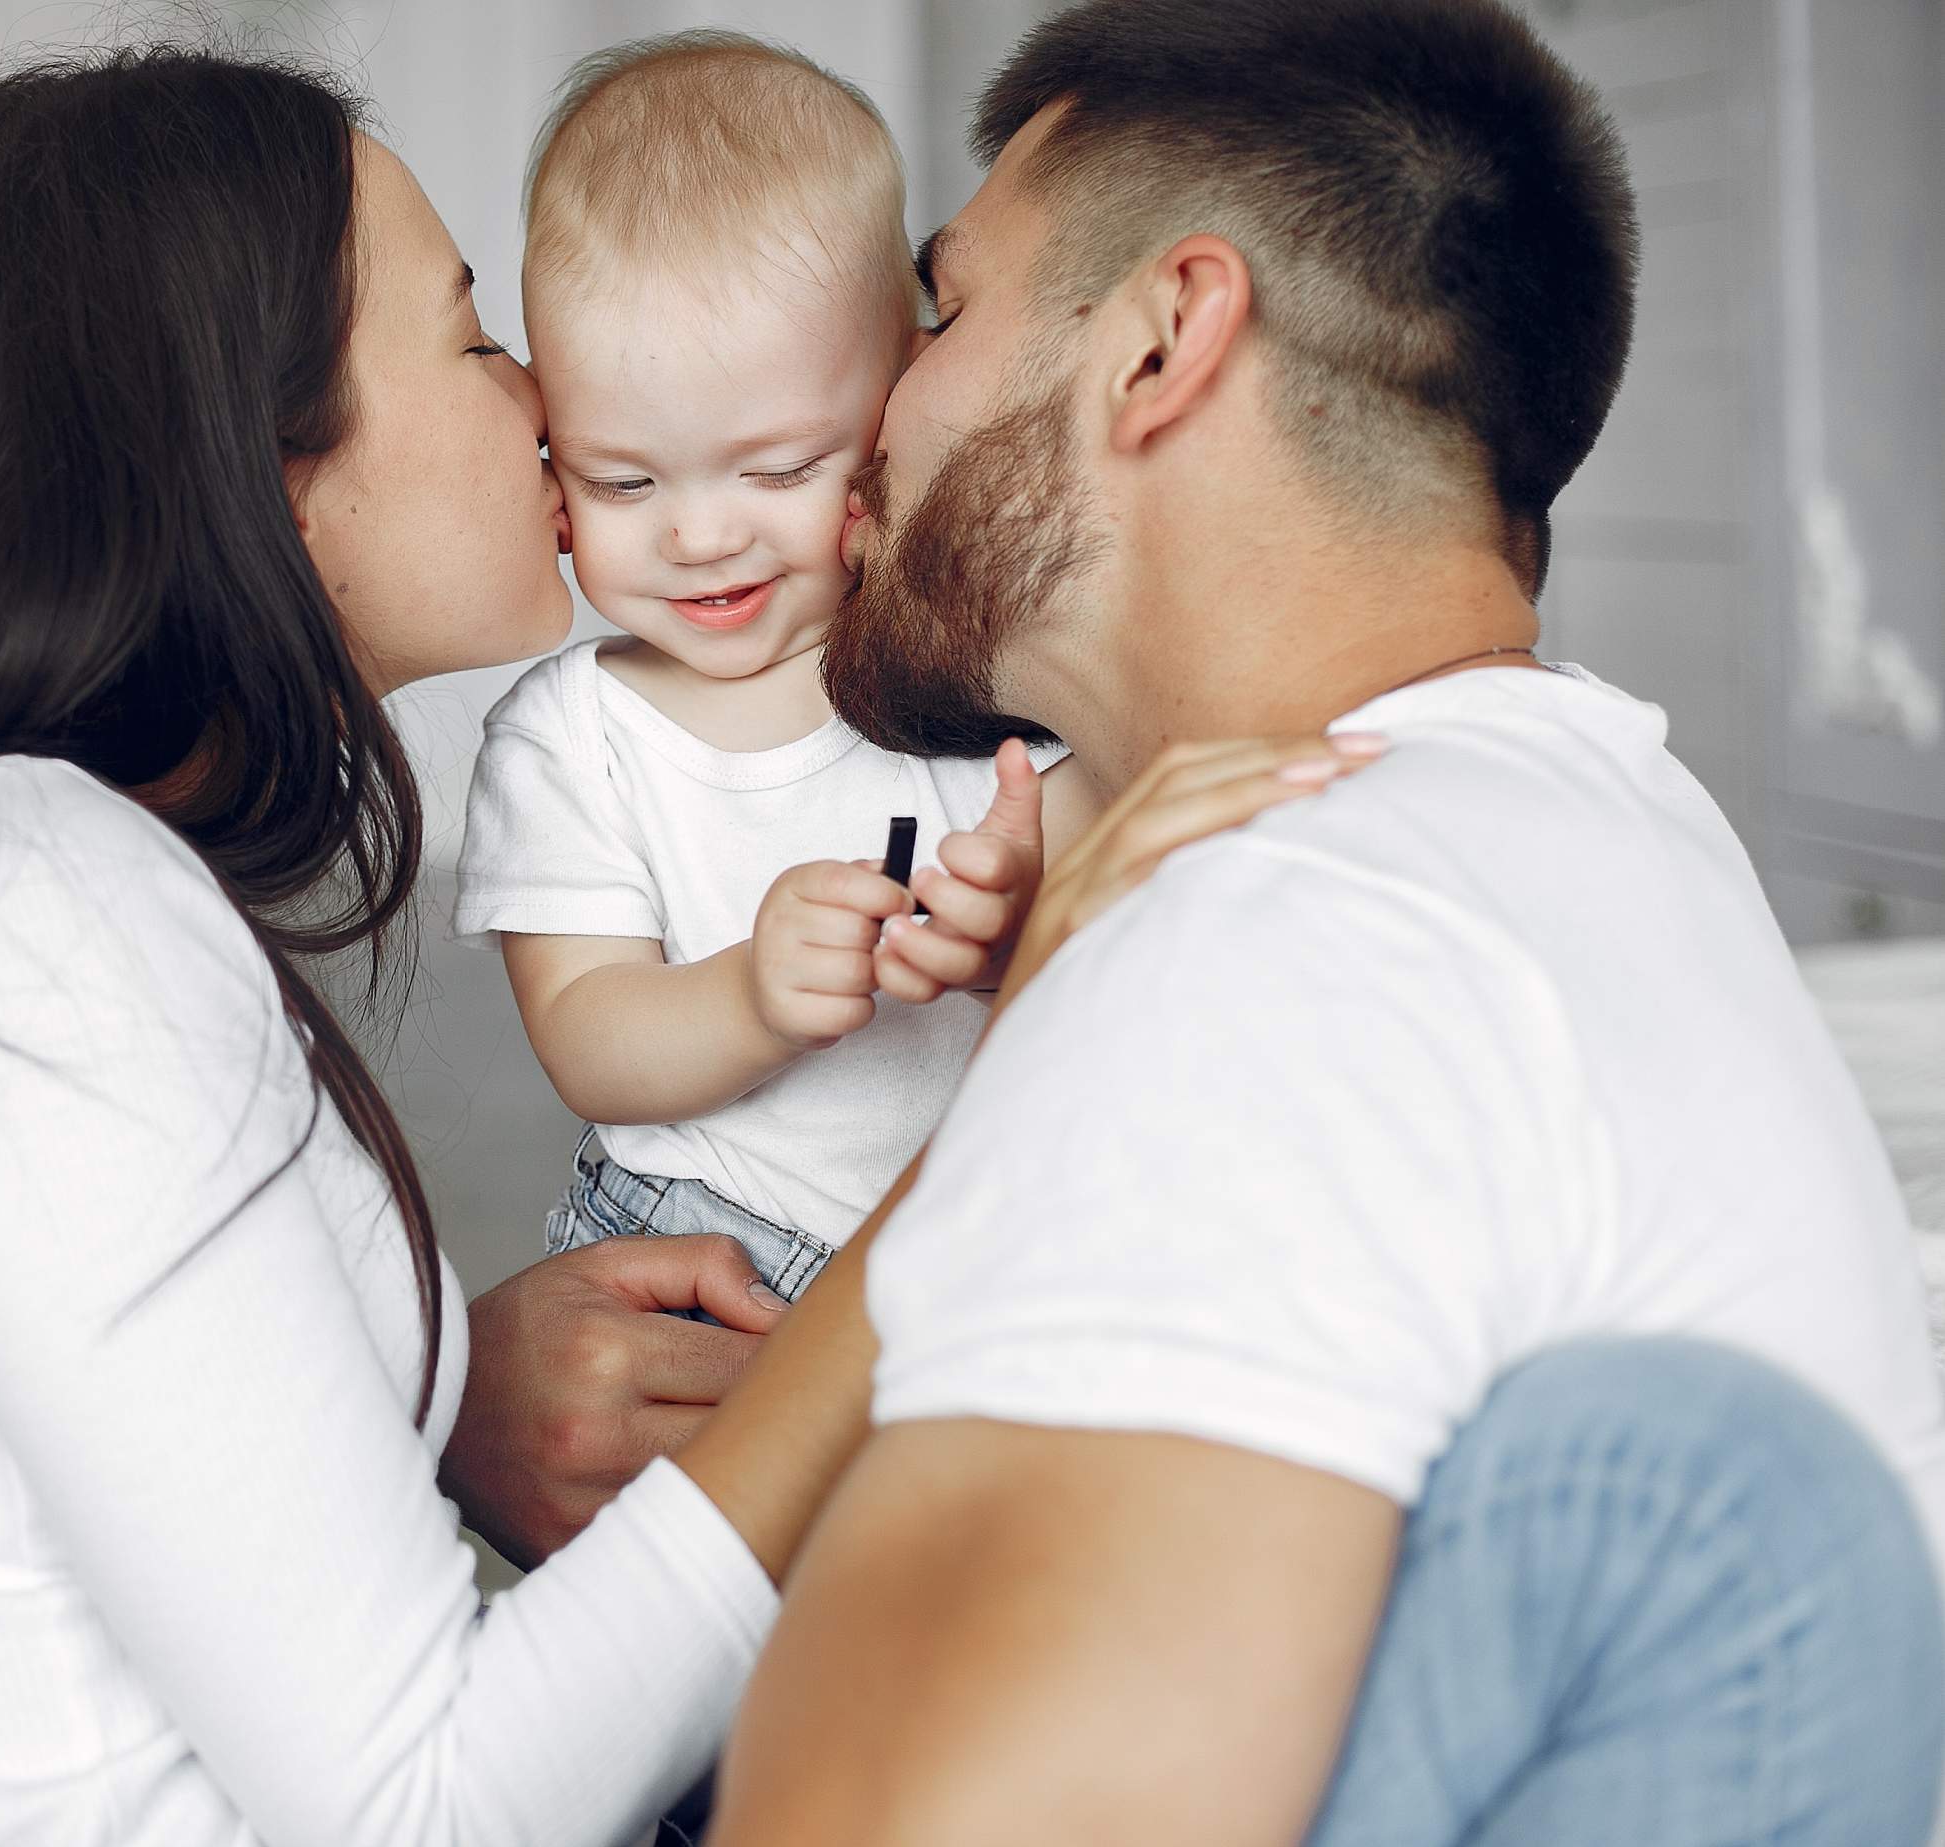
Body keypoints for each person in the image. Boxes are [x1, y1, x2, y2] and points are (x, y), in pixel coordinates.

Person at [0, 45, 1339, 1847]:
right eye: (473, 337)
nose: (540, 404)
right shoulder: (15, 917)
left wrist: (431, 1388)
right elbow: (433, 1804)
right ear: (261, 462)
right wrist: (978, 1188)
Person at [715, 1, 1945, 1841]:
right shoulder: (1601, 822)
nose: (862, 414)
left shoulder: (1292, 922)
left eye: (943, 308)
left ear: (1161, 341)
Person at [456, 33, 1145, 1295]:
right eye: (622, 478)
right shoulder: (574, 735)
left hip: (973, 1242)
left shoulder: (973, 656)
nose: (702, 532)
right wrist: (751, 997)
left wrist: (1018, 917)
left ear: (897, 404)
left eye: (777, 470)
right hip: (706, 1234)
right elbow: (588, 1029)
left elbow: (1121, 894)